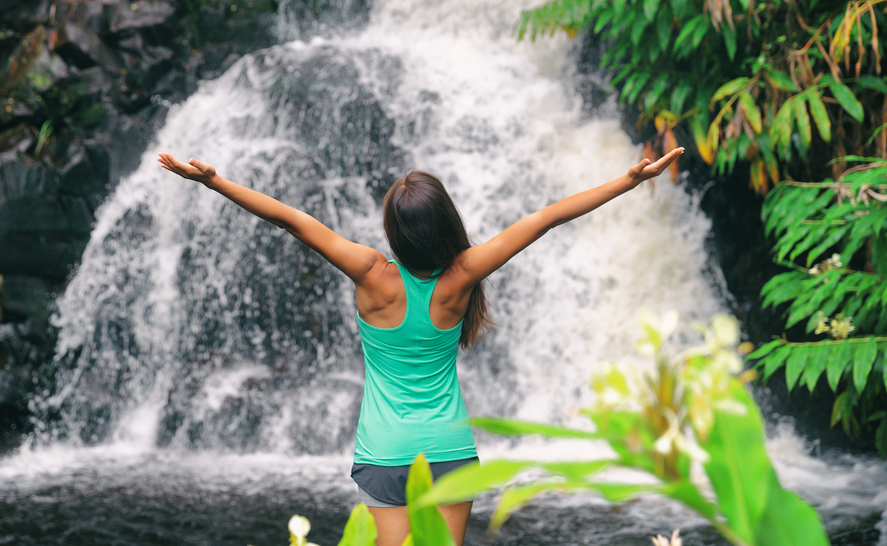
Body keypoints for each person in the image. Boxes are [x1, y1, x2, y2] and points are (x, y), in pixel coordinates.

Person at [158, 147, 684, 546]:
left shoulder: (369, 272)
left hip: (385, 454)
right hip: (450, 451)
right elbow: (545, 218)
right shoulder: (463, 274)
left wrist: (215, 181)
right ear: (446, 224)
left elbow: (291, 219)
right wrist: (627, 181)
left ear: (395, 231)